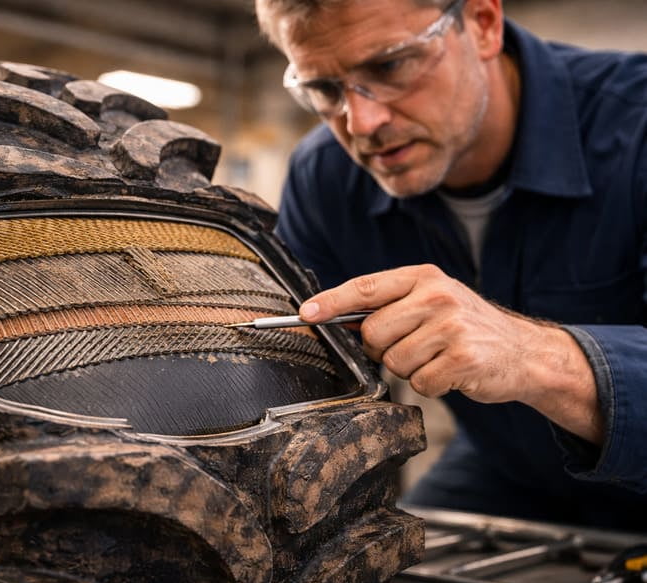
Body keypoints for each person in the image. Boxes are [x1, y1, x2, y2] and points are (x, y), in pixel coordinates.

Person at [254, 0, 647, 530]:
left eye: (390, 66)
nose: (362, 123)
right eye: (324, 89)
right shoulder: (324, 178)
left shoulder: (635, 125)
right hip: (510, 467)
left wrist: (531, 355)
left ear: (482, 25)